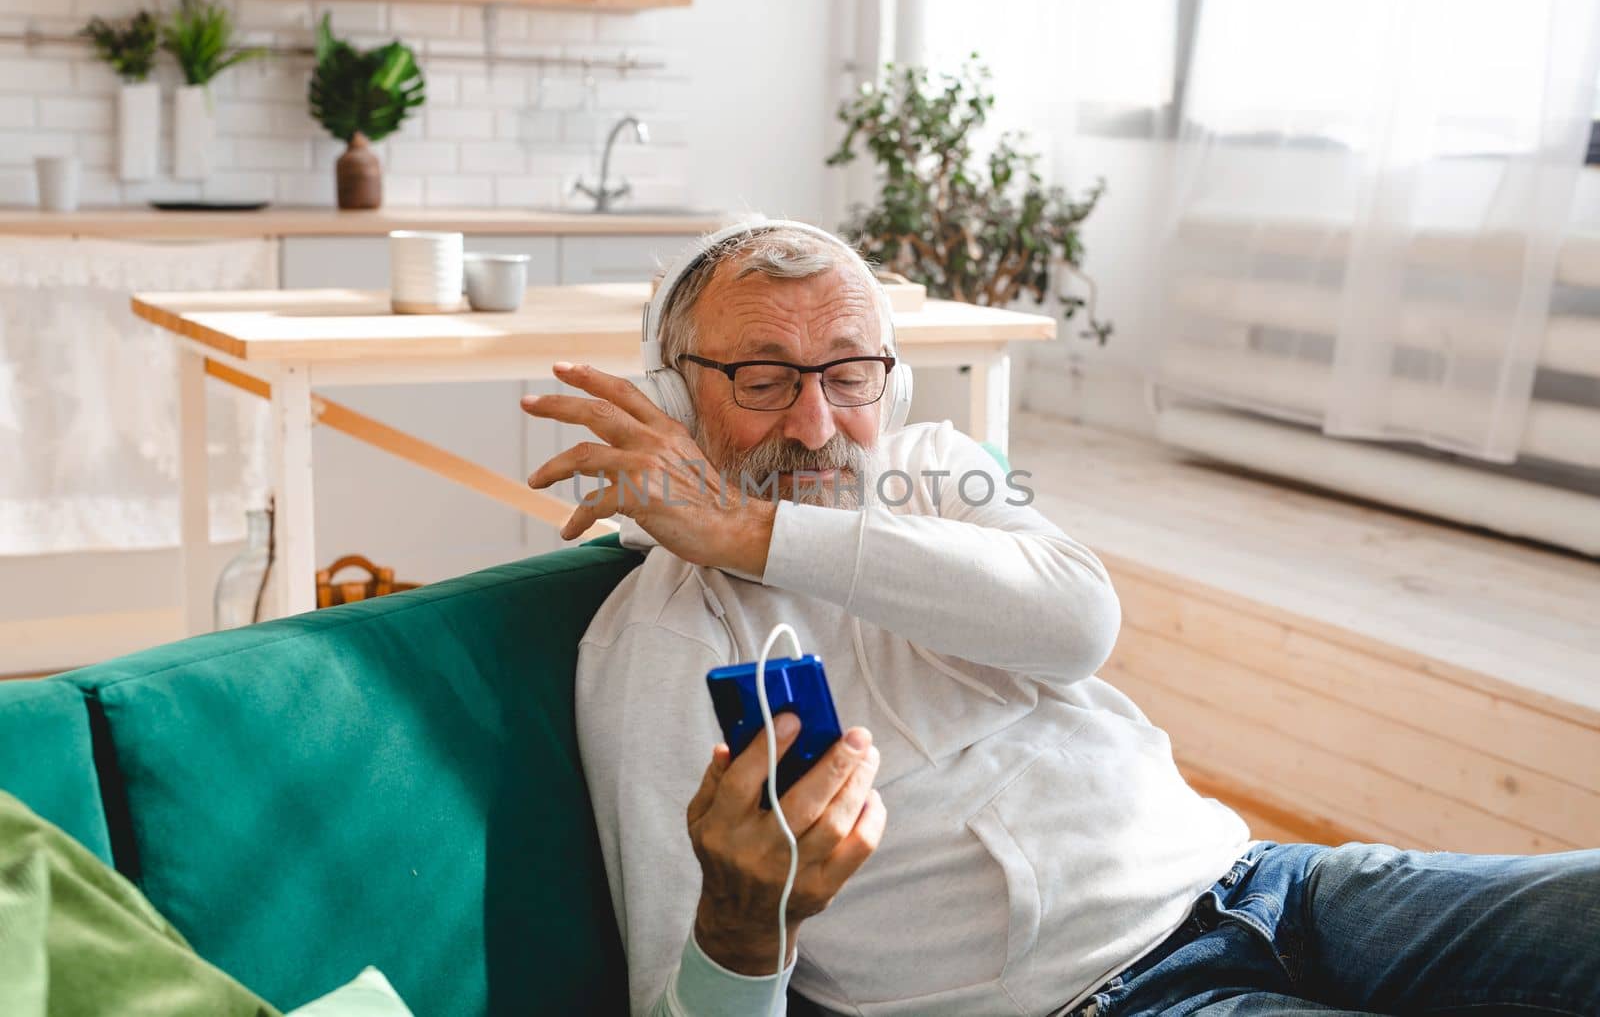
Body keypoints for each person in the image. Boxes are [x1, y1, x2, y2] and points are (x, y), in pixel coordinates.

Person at [522, 221, 1600, 1017]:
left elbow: (1078, 619)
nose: (815, 421)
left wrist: (751, 527)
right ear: (671, 399)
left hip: (1269, 882)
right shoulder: (661, 640)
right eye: (763, 378)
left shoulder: (935, 470)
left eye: (849, 373)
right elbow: (678, 1000)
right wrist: (745, 920)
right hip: (1106, 999)